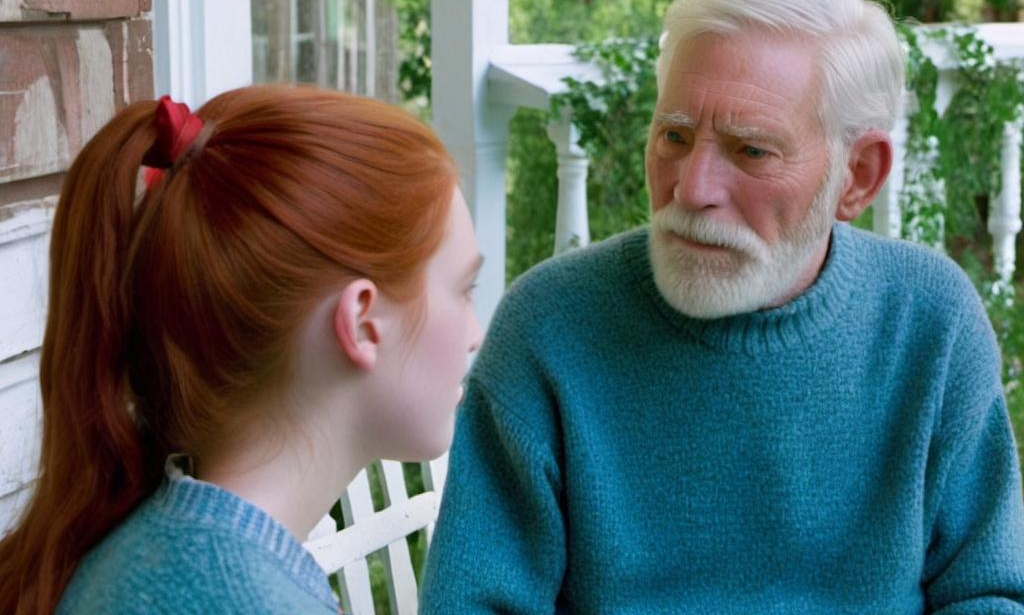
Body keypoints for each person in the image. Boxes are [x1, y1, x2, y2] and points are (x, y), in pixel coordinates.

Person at [419, 0, 1024, 612]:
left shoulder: (931, 325)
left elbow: (985, 593)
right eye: (675, 136)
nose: (691, 188)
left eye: (751, 151)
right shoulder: (550, 328)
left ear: (858, 177)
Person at [0, 85, 482, 614]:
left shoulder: (157, 550)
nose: (474, 334)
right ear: (364, 322)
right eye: (464, 290)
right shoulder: (238, 597)